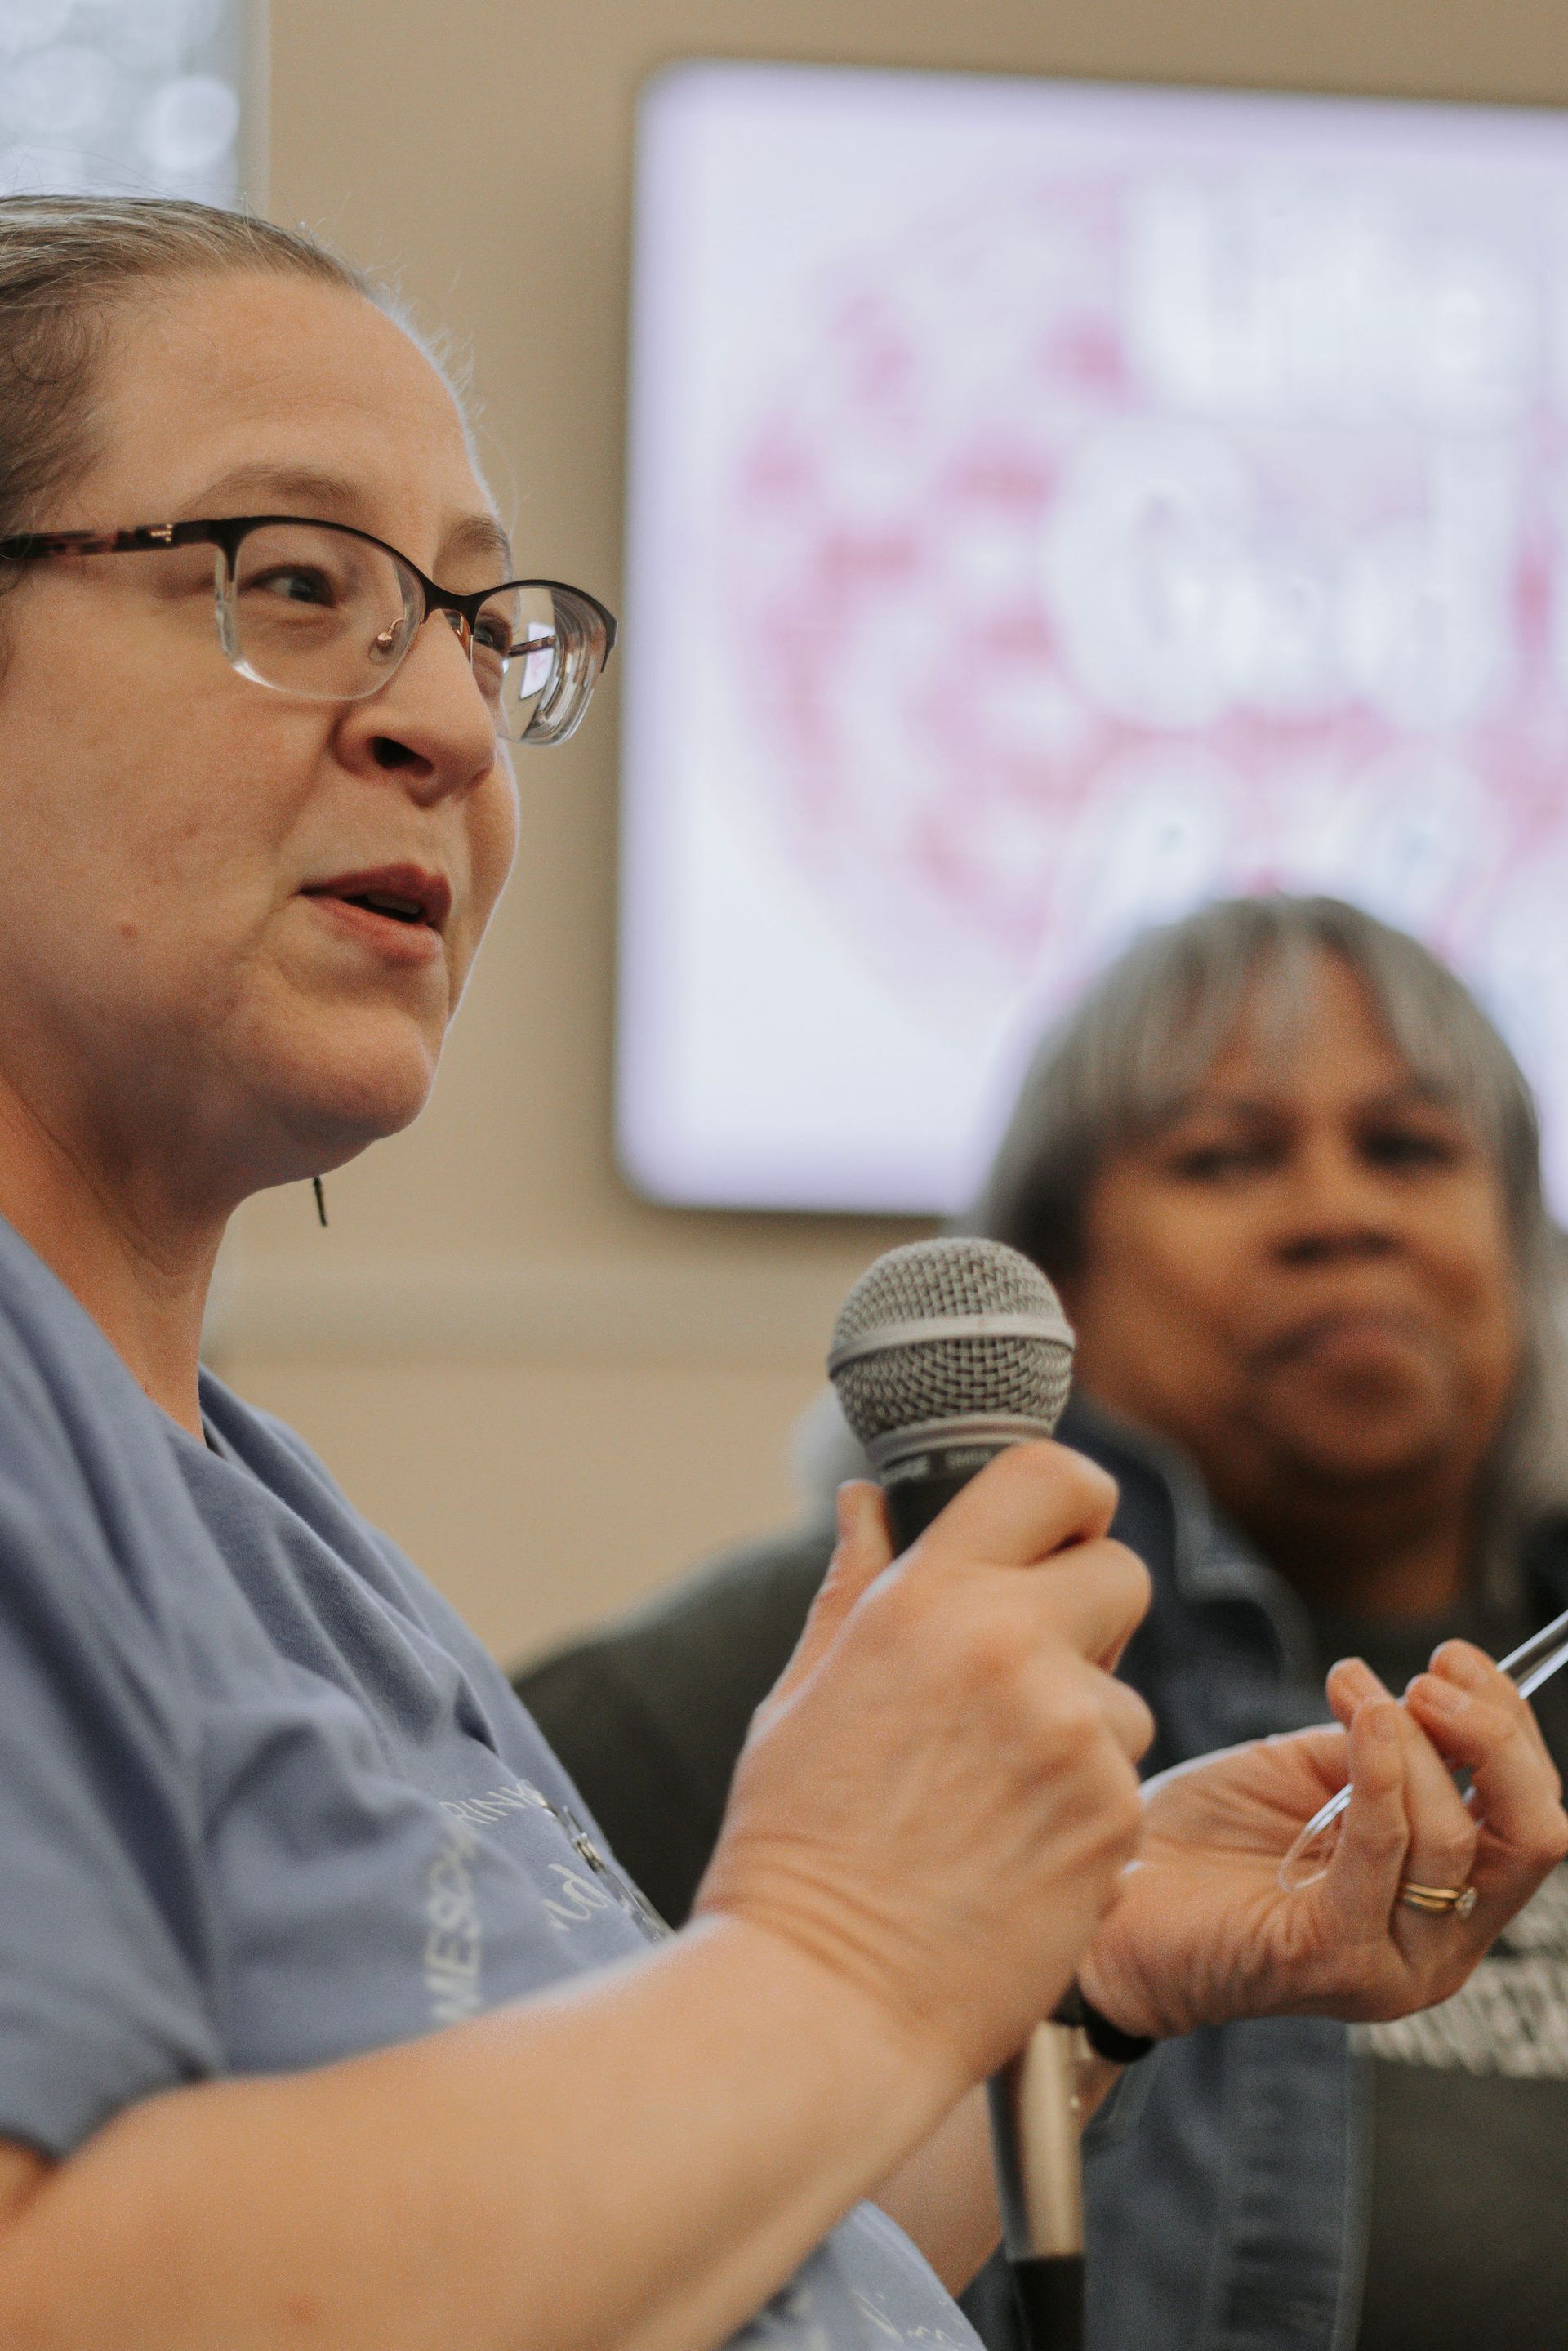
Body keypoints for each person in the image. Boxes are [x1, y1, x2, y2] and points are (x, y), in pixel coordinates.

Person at [0, 199, 1557, 2351]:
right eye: (297, 583)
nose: (449, 721)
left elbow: (661, 2280)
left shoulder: (285, 1539)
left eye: (478, 627)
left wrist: (1076, 1979)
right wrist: (837, 1947)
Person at [517, 893, 1568, 2351]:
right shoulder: (859, 1662)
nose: (1342, 1212)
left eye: (1409, 1148)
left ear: (1520, 1249)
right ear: (1048, 1286)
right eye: (1228, 1157)